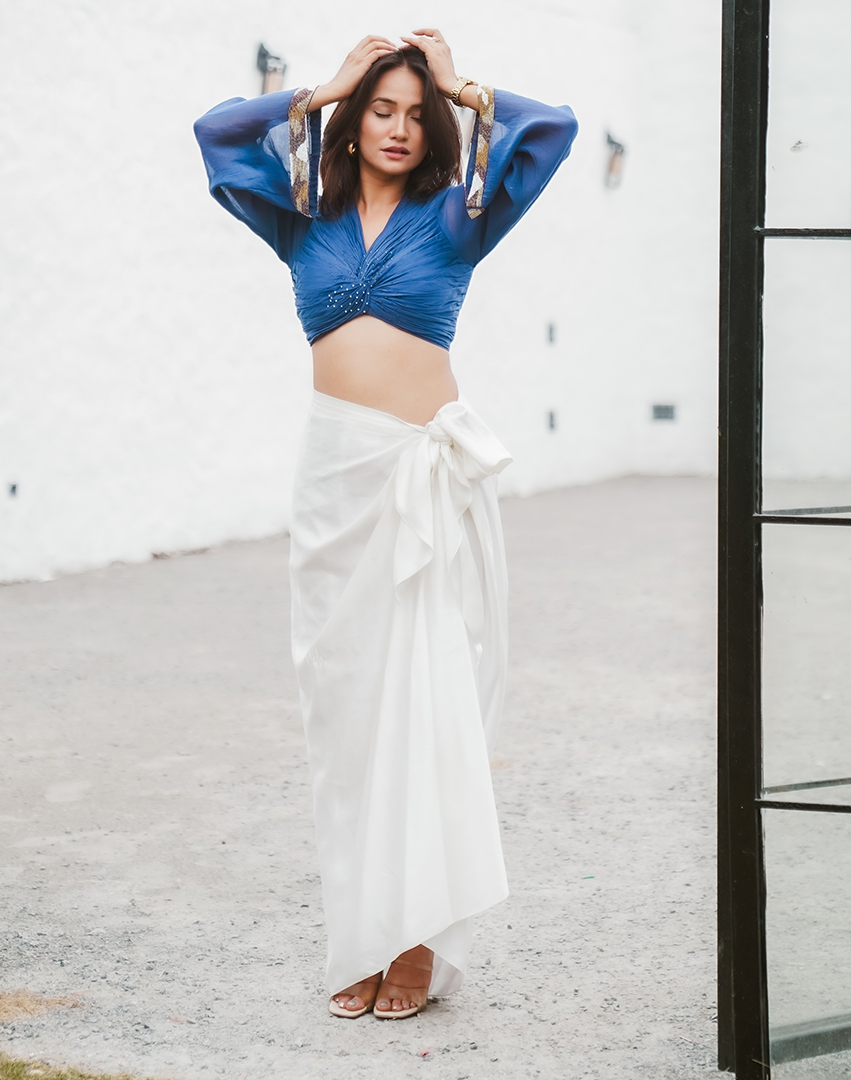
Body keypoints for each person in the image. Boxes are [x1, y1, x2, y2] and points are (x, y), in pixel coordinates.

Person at [194, 29, 577, 1020]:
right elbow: (217, 134)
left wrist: (460, 80)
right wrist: (319, 90)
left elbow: (551, 129)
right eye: (383, 108)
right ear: (355, 121)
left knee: (426, 715)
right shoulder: (302, 218)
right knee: (350, 724)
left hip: (421, 489)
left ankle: (417, 940)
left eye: (417, 112)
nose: (402, 127)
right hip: (336, 490)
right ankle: (362, 934)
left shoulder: (461, 216)